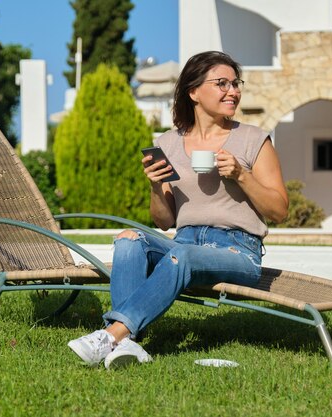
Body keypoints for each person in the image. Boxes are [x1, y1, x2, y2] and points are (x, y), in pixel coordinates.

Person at [68, 51, 289, 369]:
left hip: (239, 251)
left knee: (181, 256)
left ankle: (111, 334)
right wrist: (157, 186)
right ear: (194, 91)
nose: (233, 91)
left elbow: (279, 211)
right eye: (222, 83)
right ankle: (127, 344)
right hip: (183, 242)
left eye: (235, 83)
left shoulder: (254, 140)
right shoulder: (168, 143)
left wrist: (242, 175)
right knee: (129, 238)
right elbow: (164, 219)